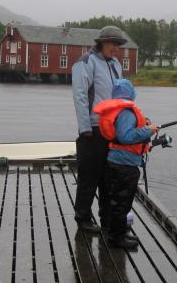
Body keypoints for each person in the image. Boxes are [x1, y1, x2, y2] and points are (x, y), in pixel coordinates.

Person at [93, 79, 159, 249]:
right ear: (130, 93)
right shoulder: (127, 113)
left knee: (117, 201)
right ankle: (116, 239)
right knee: (122, 203)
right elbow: (126, 137)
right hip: (124, 164)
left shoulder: (117, 110)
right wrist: (148, 130)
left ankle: (116, 234)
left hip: (117, 161)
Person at [72, 26, 126, 233]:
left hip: (111, 129)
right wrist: (85, 127)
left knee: (108, 178)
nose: (117, 49)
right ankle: (83, 217)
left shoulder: (116, 64)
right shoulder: (85, 63)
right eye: (113, 44)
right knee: (89, 176)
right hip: (92, 130)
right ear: (102, 43)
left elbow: (120, 96)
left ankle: (107, 219)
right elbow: (80, 96)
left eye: (119, 45)